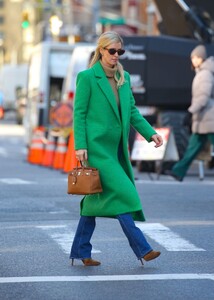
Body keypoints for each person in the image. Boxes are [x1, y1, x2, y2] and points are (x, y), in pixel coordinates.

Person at [70, 31, 163, 267]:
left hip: (116, 149)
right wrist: (80, 145)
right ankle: (143, 248)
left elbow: (131, 111)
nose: (116, 56)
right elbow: (79, 114)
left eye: (120, 52)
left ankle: (81, 251)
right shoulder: (88, 77)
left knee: (94, 200)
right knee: (124, 193)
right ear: (101, 50)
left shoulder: (124, 77)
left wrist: (150, 133)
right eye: (112, 51)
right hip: (96, 148)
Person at [167, 45, 214, 181]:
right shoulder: (202, 72)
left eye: (196, 57)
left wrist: (190, 112)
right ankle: (178, 172)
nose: (193, 60)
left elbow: (203, 97)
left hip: (209, 117)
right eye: (192, 58)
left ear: (201, 58)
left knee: (194, 147)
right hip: (203, 118)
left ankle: (178, 171)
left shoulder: (205, 73)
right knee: (193, 147)